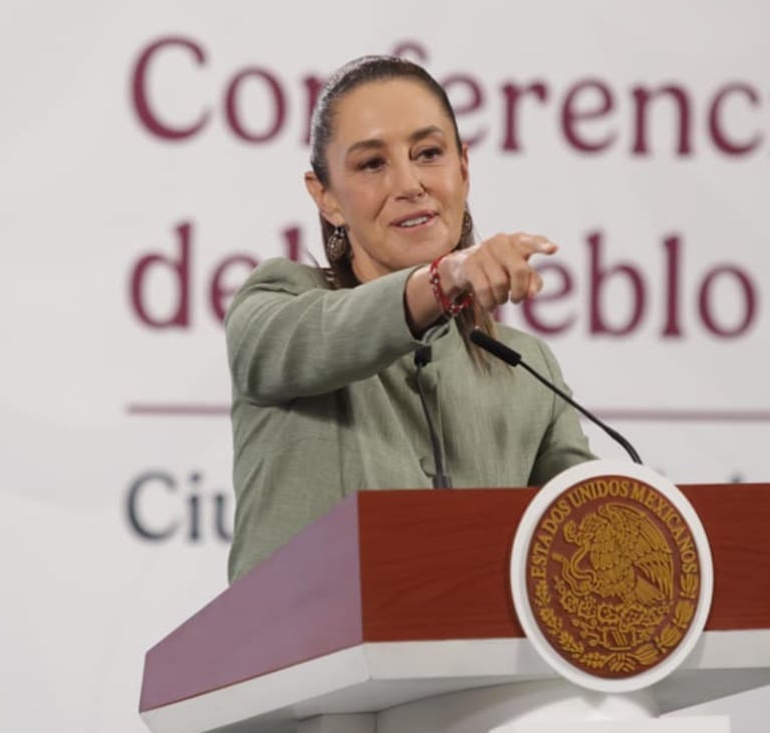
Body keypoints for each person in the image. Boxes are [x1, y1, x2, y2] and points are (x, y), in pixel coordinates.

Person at [224, 55, 596, 582]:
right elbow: (327, 333)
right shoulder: (277, 305)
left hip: (480, 665)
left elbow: (593, 535)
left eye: (428, 154)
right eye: (372, 164)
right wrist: (446, 278)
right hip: (304, 662)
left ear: (463, 169)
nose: (409, 184)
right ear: (326, 196)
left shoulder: (527, 367)